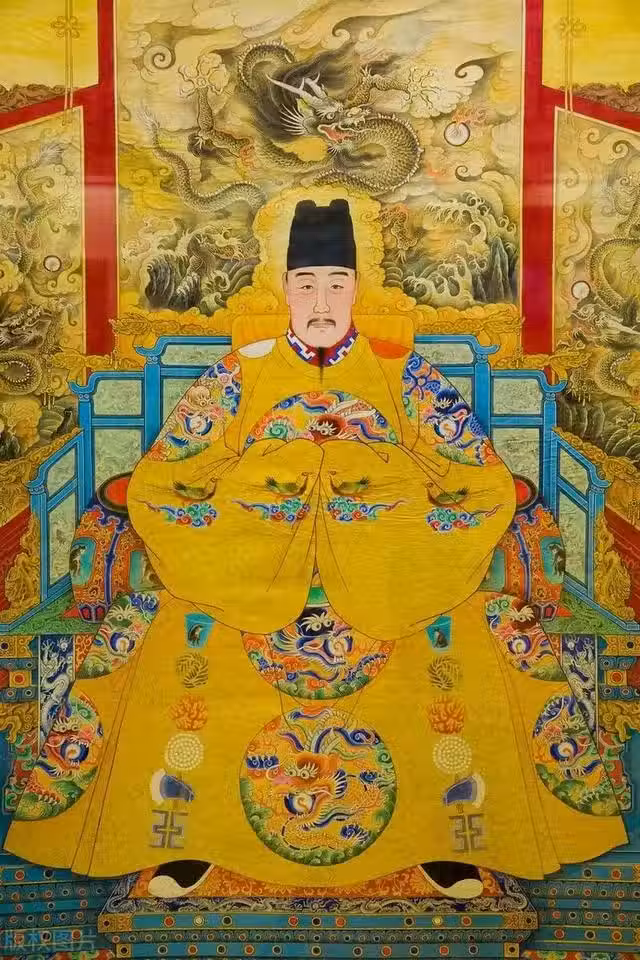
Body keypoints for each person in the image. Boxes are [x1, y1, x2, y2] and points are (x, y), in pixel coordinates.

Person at [5, 199, 626, 900]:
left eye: (336, 283)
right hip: (251, 552)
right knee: (175, 636)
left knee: (458, 641)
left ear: (356, 288)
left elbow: (474, 472)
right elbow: (167, 472)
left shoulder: (401, 370)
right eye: (307, 284)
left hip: (389, 552)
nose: (322, 301)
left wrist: (400, 505)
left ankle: (444, 843)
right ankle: (187, 842)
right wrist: (249, 503)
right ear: (286, 288)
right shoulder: (242, 371)